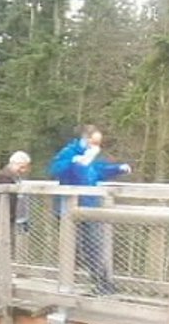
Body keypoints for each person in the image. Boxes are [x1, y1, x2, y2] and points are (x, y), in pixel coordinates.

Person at [47, 124, 132, 295]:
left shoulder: (91, 156)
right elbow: (55, 170)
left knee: (93, 246)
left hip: (90, 207)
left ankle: (103, 284)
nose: (97, 146)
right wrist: (75, 161)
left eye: (99, 143)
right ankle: (70, 284)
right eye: (94, 142)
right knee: (74, 248)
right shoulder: (69, 152)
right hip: (69, 211)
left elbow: (96, 171)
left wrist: (118, 169)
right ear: (85, 139)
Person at [0, 150, 32, 239]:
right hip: (1, 221)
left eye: (25, 168)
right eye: (21, 167)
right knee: (3, 247)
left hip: (14, 221)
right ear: (12, 164)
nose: (24, 170)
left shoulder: (16, 178)